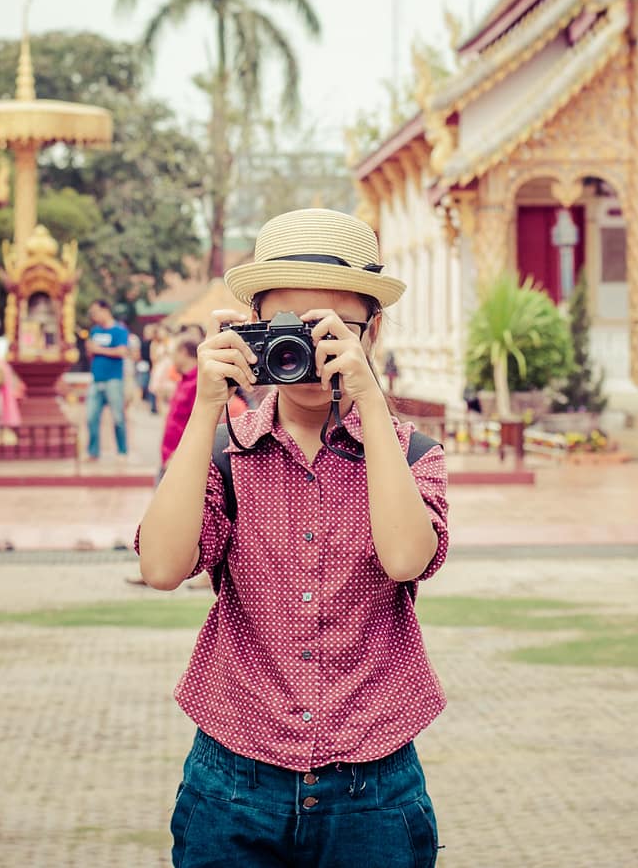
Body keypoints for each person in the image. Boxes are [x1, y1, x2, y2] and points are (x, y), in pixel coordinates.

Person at [135, 208, 447, 867]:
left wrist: (368, 398)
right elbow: (161, 567)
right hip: (233, 782)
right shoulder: (227, 454)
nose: (303, 351)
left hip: (374, 787)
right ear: (251, 328)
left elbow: (405, 558)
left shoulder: (411, 454)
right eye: (287, 328)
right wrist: (207, 407)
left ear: (371, 331)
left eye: (330, 329)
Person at [83, 300, 130, 461]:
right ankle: (93, 451)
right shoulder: (95, 331)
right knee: (91, 416)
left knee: (118, 417)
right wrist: (90, 350)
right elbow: (91, 353)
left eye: (95, 312)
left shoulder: (119, 330)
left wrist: (99, 349)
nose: (94, 316)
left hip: (113, 380)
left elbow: (122, 351)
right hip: (96, 379)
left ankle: (122, 451)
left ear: (105, 310)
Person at [158, 339, 201, 477]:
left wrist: (178, 454)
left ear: (183, 352)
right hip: (171, 456)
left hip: (180, 459)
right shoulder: (185, 379)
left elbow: (199, 423)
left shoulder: (198, 382)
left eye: (174, 354)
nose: (172, 359)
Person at [138, 323, 159, 414]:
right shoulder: (143, 342)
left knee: (151, 387)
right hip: (144, 367)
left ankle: (153, 405)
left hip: (152, 367)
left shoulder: (154, 342)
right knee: (142, 385)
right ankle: (142, 403)